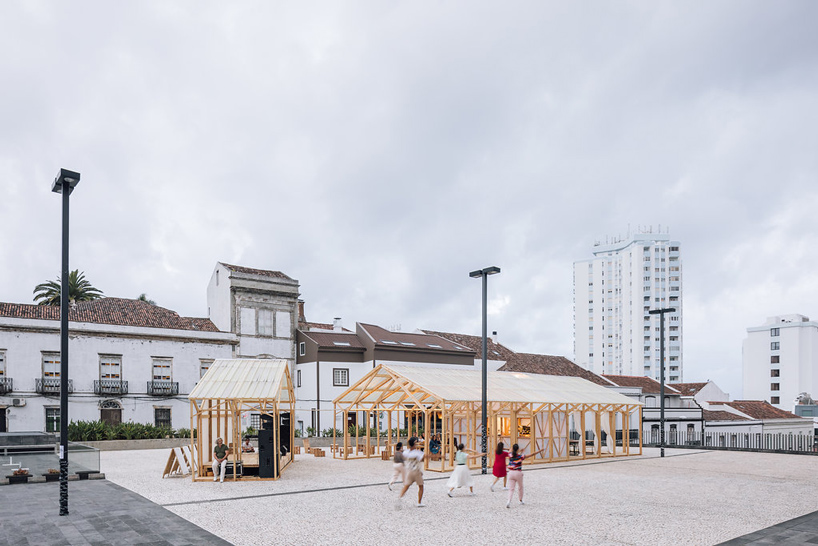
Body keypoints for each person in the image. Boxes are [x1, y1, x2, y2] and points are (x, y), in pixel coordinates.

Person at [505, 443, 544, 508]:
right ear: (517, 449)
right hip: (518, 472)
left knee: (511, 489)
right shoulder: (520, 456)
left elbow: (510, 450)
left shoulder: (510, 455)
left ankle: (509, 501)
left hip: (511, 472)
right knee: (520, 487)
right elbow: (532, 454)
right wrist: (539, 451)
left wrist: (517, 450)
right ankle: (520, 500)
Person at [397, 437, 428, 508]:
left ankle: (399, 498)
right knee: (421, 486)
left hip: (409, 470)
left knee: (406, 486)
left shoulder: (406, 452)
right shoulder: (417, 452)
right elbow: (425, 457)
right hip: (416, 471)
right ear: (414, 444)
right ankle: (419, 502)